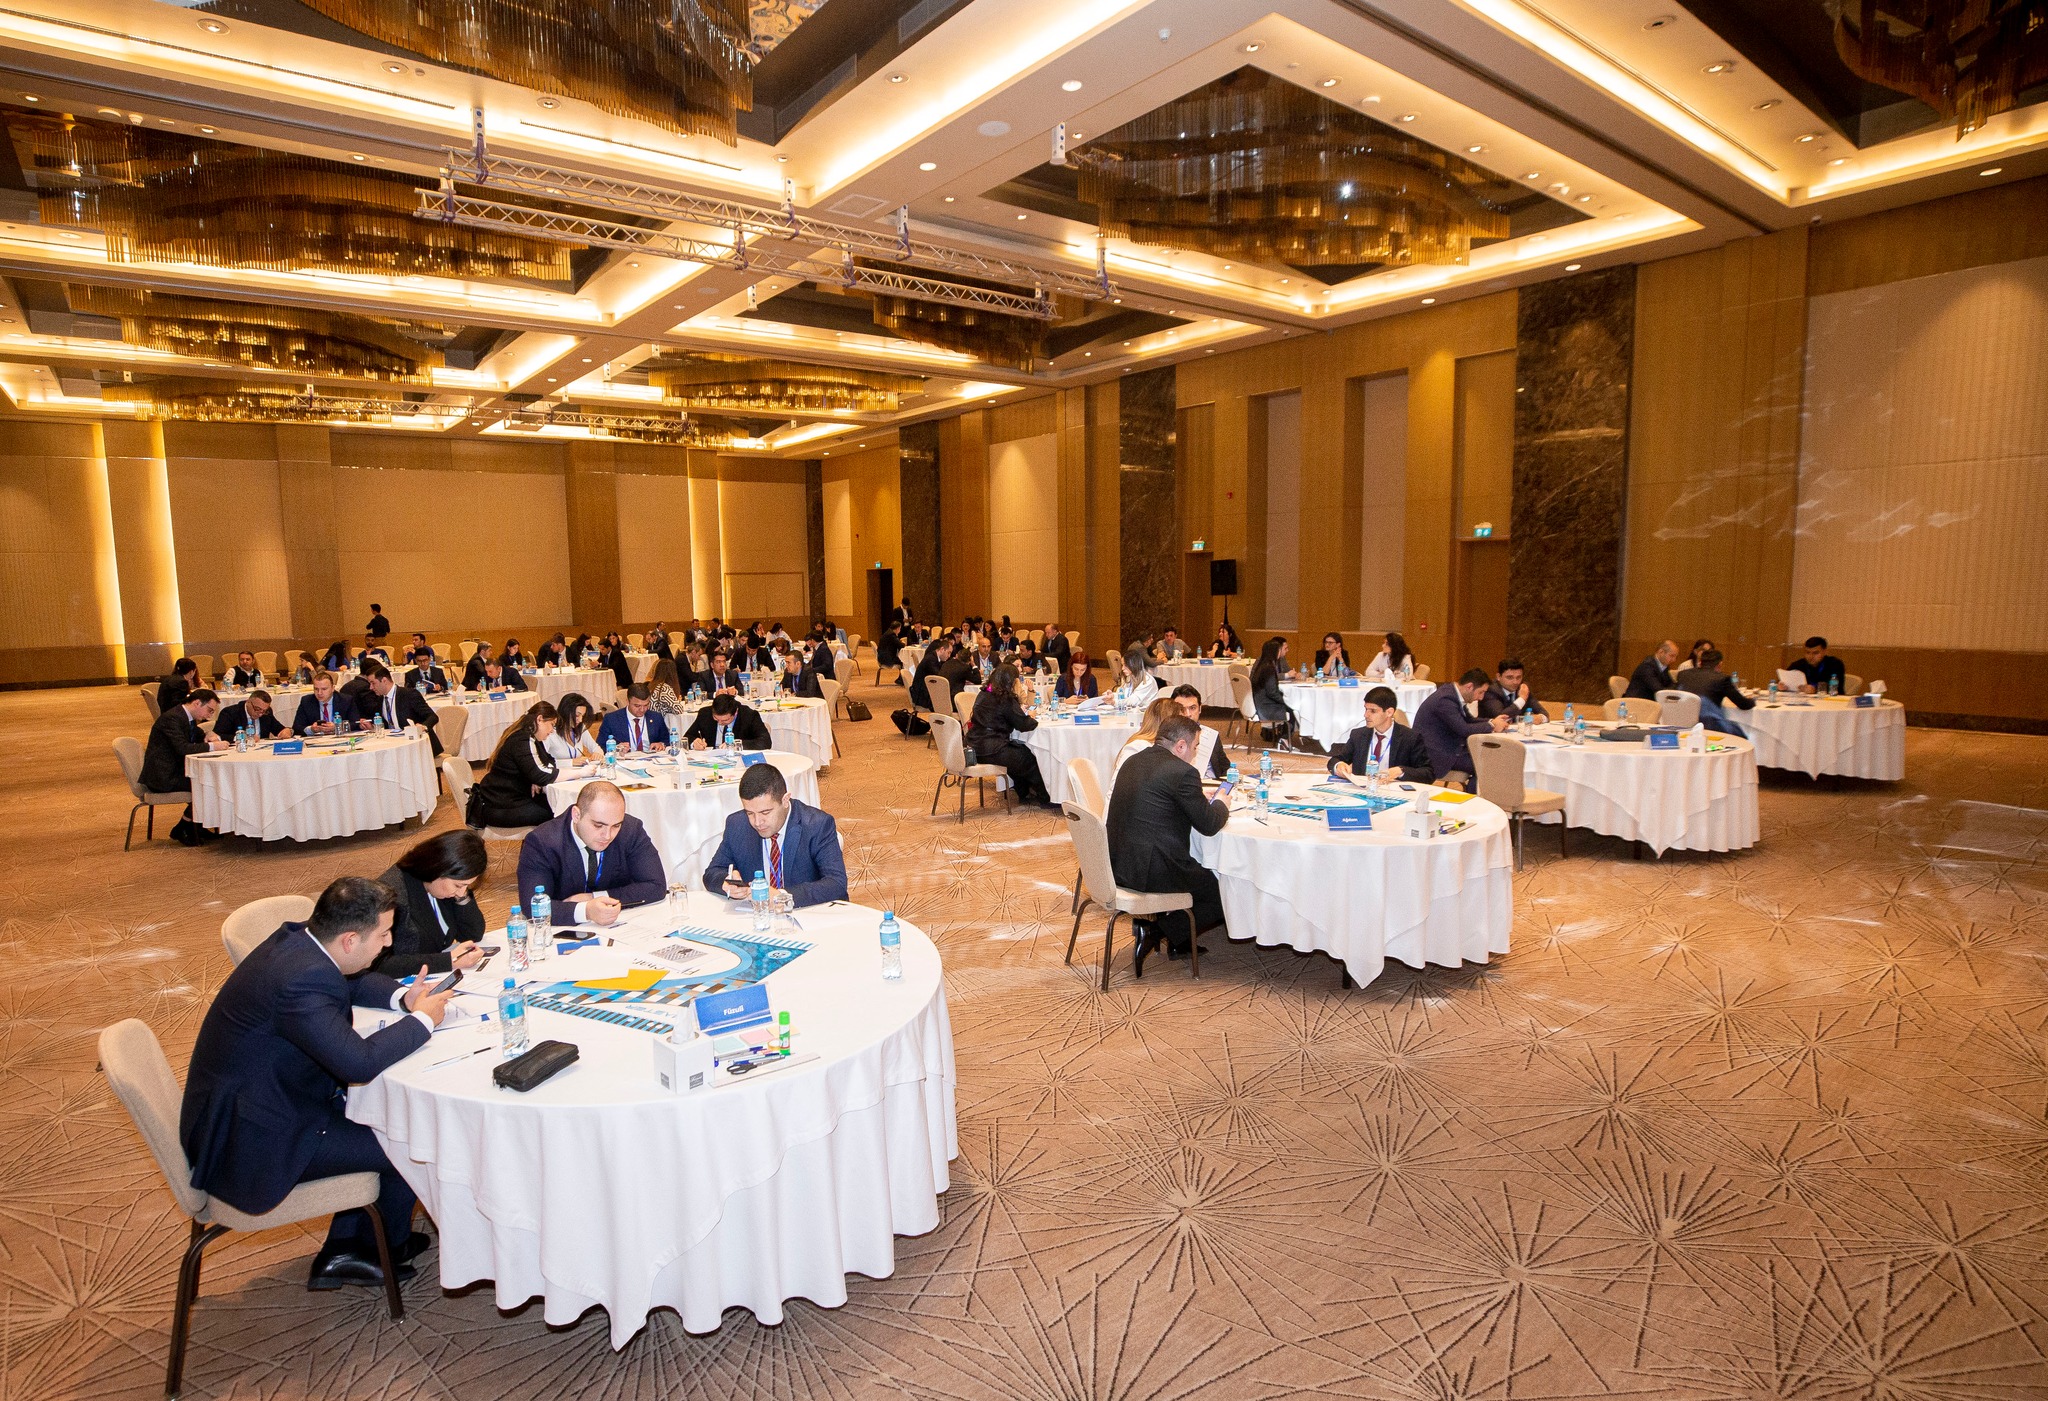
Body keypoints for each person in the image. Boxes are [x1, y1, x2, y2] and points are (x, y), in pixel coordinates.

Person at [180, 877, 454, 1291]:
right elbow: (358, 1063)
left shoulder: (300, 942)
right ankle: (362, 1251)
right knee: (409, 1139)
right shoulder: (300, 981)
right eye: (383, 934)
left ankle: (368, 1241)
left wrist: (403, 998)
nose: (388, 944)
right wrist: (422, 1020)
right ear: (349, 939)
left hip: (266, 1099)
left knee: (392, 1118)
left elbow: (352, 980)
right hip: (256, 1136)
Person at [1107, 715, 1234, 970]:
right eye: (1195, 747)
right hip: (1151, 869)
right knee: (1225, 892)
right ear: (1180, 746)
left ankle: (1178, 940)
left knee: (1202, 877)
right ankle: (1157, 931)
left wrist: (1195, 796)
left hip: (1118, 861)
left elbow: (1161, 797)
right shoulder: (1182, 772)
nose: (1195, 754)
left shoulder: (1134, 760)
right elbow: (1209, 824)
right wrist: (1222, 802)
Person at [517, 780, 665, 927]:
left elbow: (656, 886)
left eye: (616, 826)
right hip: (561, 929)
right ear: (576, 815)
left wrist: (593, 898)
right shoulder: (542, 842)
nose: (607, 835)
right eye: (598, 825)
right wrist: (586, 911)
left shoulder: (631, 830)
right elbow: (533, 907)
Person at [701, 762, 849, 906]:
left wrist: (782, 896)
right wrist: (726, 883)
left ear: (785, 800)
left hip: (805, 913)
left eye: (765, 812)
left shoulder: (816, 825)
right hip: (756, 915)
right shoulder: (737, 824)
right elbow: (712, 873)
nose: (757, 822)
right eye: (750, 813)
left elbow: (836, 883)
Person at [372, 829, 489, 977]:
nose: (461, 892)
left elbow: (472, 934)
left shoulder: (442, 885)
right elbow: (379, 964)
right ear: (438, 869)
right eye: (459, 886)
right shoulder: (391, 897)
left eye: (466, 886)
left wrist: (462, 898)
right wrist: (448, 961)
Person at [144, 686, 227, 845]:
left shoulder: (184, 716)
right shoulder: (172, 718)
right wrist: (212, 746)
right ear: (197, 703)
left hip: (174, 770)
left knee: (211, 782)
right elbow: (182, 748)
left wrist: (208, 734)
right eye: (209, 710)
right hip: (162, 776)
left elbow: (194, 734)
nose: (209, 716)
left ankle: (194, 826)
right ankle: (184, 827)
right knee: (208, 785)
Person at [968, 664, 1052, 806]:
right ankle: (1045, 798)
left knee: (1018, 754)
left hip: (974, 745)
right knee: (1028, 758)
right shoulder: (1005, 699)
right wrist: (1031, 717)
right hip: (992, 748)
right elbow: (1024, 725)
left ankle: (1024, 793)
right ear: (1011, 681)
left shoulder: (984, 693)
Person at [1413, 669, 1511, 790]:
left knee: (1490, 760)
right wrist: (1492, 726)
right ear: (1469, 687)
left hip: (1448, 746)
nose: (1481, 698)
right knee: (1486, 766)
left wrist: (1492, 721)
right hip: (1437, 754)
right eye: (1481, 692)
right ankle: (1474, 799)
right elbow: (1463, 729)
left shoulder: (1452, 693)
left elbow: (1469, 720)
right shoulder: (1445, 700)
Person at [467, 701, 560, 828]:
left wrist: (534, 778)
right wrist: (582, 772)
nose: (552, 731)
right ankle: (538, 841)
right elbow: (541, 774)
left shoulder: (529, 736)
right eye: (551, 725)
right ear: (540, 719)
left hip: (507, 798)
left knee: (554, 804)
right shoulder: (522, 739)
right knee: (555, 811)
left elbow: (547, 762)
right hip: (499, 806)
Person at [1328, 686, 1433, 783]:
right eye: (1366, 709)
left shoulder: (1410, 738)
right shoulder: (1358, 735)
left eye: (1373, 711)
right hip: (1362, 790)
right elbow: (1335, 760)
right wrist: (1338, 766)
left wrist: (1400, 771)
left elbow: (1428, 773)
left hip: (1394, 791)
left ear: (1389, 712)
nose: (1366, 715)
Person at [363, 665, 443, 756]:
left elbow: (433, 717)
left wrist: (423, 727)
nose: (371, 687)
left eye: (373, 683)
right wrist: (373, 727)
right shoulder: (380, 699)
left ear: (384, 680)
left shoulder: (409, 694)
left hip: (419, 747)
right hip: (396, 745)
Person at [1110, 696, 1184, 789]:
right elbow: (1118, 787)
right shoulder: (1137, 748)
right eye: (1181, 723)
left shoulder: (1171, 747)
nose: (1184, 728)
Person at [1676, 648, 1755, 734]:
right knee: (1740, 733)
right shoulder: (1722, 679)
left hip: (1681, 722)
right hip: (1710, 724)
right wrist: (1753, 700)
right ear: (1720, 664)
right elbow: (1744, 705)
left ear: (1700, 662)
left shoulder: (1682, 674)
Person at [1169, 684, 1231, 780]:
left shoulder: (1211, 735)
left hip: (1212, 783)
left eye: (1192, 708)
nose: (1188, 714)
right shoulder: (1167, 737)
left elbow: (1225, 768)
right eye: (1182, 709)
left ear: (1200, 709)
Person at [1248, 637, 1298, 747]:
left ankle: (1283, 737)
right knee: (1293, 708)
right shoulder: (1269, 669)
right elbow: (1272, 693)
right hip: (1266, 707)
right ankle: (1284, 738)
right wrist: (1286, 701)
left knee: (1290, 704)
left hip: (1260, 703)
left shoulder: (1262, 665)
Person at [597, 684, 672, 753]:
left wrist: (661, 744)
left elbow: (667, 740)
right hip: (625, 760)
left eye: (646, 705)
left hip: (651, 759)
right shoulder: (611, 719)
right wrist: (615, 748)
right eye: (637, 706)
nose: (642, 710)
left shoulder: (656, 717)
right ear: (627, 701)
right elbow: (600, 747)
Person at [683, 692, 772, 750]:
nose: (720, 723)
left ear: (735, 713)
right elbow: (687, 737)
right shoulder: (705, 713)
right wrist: (694, 743)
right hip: (710, 760)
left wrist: (737, 745)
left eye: (725, 720)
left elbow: (765, 742)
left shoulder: (749, 715)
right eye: (716, 718)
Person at [1476, 659, 1548, 724]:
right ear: (1498, 677)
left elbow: (1544, 714)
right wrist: (1522, 699)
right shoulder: (1490, 690)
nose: (1515, 682)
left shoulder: (1522, 688)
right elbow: (1502, 717)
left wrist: (1541, 718)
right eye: (1510, 677)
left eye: (1518, 677)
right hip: (1490, 733)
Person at [543, 692, 604, 764]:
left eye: (582, 716)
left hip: (579, 770)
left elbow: (596, 748)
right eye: (577, 715)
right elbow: (543, 762)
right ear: (565, 712)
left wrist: (597, 754)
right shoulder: (550, 732)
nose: (580, 720)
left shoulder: (580, 727)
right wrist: (570, 762)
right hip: (558, 771)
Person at [292, 671, 358, 735]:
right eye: (316, 689)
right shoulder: (307, 701)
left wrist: (337, 727)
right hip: (316, 740)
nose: (319, 693)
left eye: (324, 689)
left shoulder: (346, 700)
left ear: (333, 688)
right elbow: (296, 728)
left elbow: (356, 724)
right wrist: (311, 729)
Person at [214, 689, 288, 742]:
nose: (260, 714)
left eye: (264, 711)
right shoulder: (230, 713)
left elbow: (279, 729)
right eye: (257, 709)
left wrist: (286, 731)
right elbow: (217, 735)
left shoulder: (267, 713)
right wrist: (242, 737)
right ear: (248, 702)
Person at [909, 637, 948, 710]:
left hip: (922, 691)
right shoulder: (931, 659)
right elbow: (939, 676)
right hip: (921, 696)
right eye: (948, 653)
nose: (949, 656)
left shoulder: (933, 656)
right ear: (942, 649)